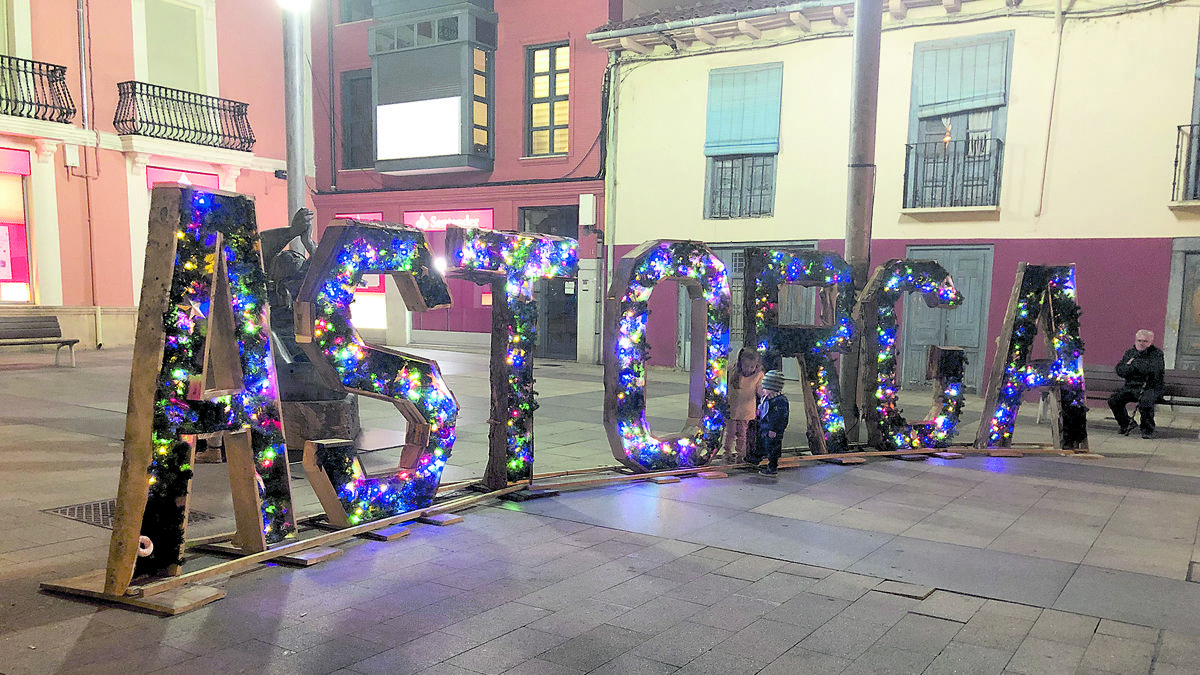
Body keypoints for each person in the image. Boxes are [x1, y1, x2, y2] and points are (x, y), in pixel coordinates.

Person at [1107, 329, 1165, 439]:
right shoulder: (1130, 353)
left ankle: (1147, 429)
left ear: (1150, 342)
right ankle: (1126, 423)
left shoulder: (1157, 354)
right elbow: (1120, 370)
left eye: (1145, 341)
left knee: (1146, 402)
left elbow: (1153, 371)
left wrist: (1133, 365)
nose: (1141, 343)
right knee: (1114, 400)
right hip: (1131, 387)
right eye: (1139, 340)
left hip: (1150, 387)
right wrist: (1134, 367)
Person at [724, 347, 764, 464]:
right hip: (732, 408)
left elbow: (759, 389)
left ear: (756, 365)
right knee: (730, 433)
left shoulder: (758, 375)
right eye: (746, 366)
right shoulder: (734, 372)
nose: (749, 369)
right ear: (741, 364)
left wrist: (764, 396)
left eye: (752, 367)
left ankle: (740, 454)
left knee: (743, 434)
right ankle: (727, 453)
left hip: (747, 410)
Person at [746, 370, 789, 475]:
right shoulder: (767, 398)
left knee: (773, 448)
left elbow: (782, 418)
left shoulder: (780, 401)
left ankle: (772, 466)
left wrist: (775, 430)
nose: (764, 390)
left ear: (774, 389)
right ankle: (757, 459)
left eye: (766, 388)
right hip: (764, 427)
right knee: (762, 444)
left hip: (773, 430)